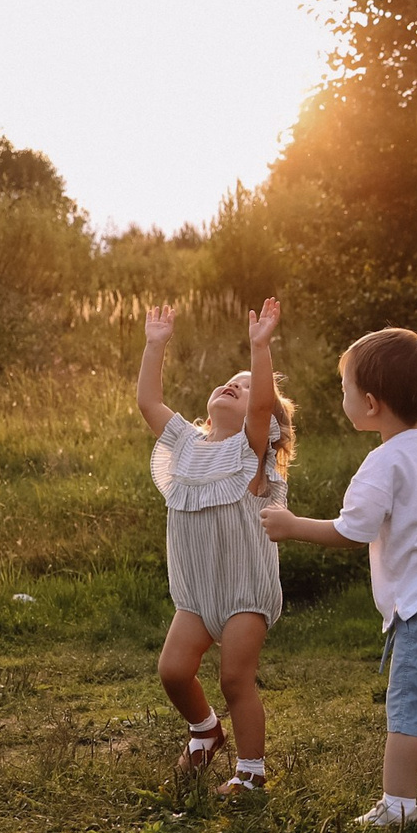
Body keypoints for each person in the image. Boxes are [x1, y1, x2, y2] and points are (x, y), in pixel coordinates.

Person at [260, 327, 417, 825]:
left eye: (345, 388)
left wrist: (292, 527)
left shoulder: (382, 462)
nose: (342, 396)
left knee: (409, 706)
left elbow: (353, 531)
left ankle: (398, 807)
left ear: (371, 403)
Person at [135, 297, 292, 797]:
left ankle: (251, 772)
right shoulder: (185, 446)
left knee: (233, 680)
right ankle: (205, 731)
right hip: (197, 592)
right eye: (232, 380)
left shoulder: (250, 451)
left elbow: (264, 405)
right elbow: (148, 403)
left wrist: (259, 348)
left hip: (246, 588)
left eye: (246, 388)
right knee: (174, 671)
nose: (237, 385)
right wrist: (154, 345)